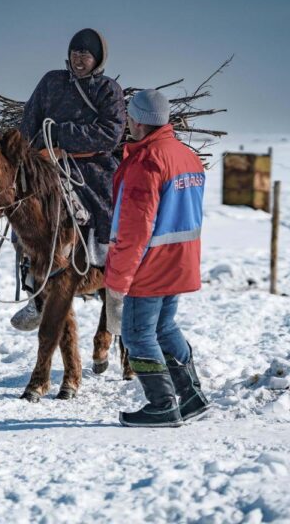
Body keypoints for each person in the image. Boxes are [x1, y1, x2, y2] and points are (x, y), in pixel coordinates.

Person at [105, 89, 210, 427]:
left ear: (135, 120)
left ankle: (162, 404)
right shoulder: (186, 156)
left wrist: (118, 277)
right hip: (181, 259)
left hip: (151, 263)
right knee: (164, 327)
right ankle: (191, 396)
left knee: (137, 334)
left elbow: (135, 228)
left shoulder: (147, 161)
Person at [10, 28, 127, 330]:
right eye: (75, 51)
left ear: (98, 58)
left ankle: (114, 289)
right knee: (23, 216)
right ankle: (34, 294)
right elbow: (29, 121)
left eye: (85, 53)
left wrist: (62, 135)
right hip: (48, 163)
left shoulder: (108, 90)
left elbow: (109, 135)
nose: (79, 58)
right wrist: (36, 150)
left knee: (109, 214)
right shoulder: (51, 82)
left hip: (94, 166)